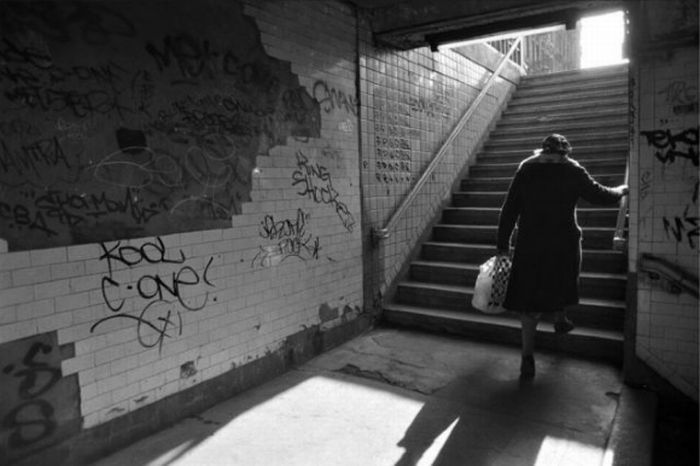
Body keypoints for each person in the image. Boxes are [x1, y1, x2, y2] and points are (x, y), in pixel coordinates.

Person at [496, 133, 628, 379]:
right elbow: (599, 194)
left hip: (530, 244)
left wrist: (503, 243)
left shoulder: (526, 168)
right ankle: (560, 316)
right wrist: (621, 190)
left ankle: (527, 356)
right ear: (565, 152)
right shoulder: (571, 169)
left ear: (543, 151)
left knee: (529, 301)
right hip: (563, 242)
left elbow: (510, 208)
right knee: (564, 279)